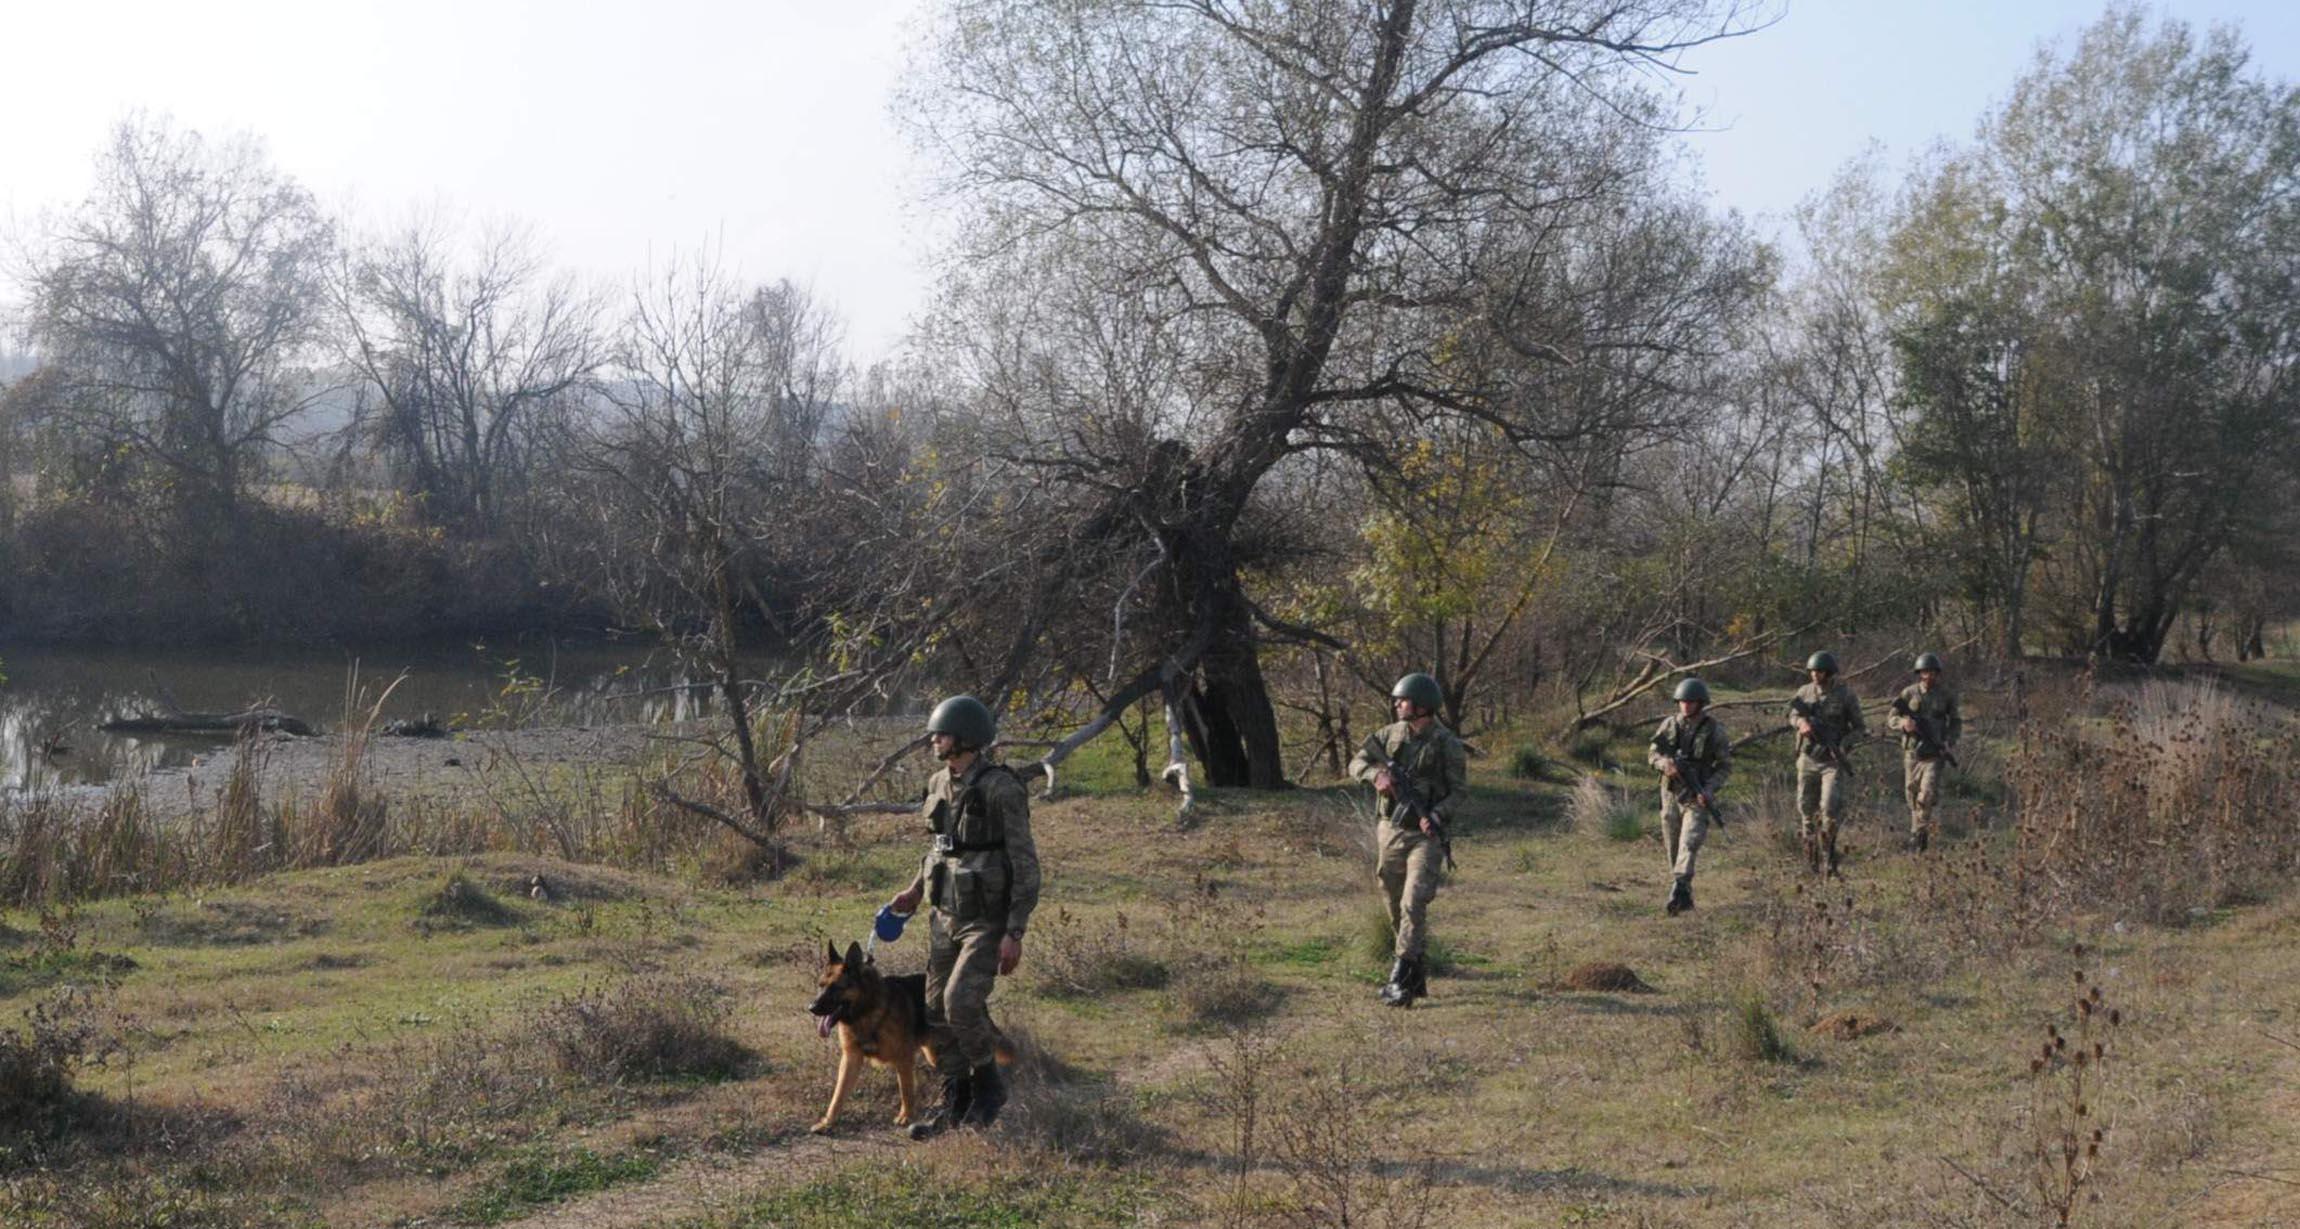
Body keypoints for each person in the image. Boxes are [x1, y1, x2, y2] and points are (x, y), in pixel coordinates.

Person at [886, 695, 1041, 1138]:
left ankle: (989, 1089)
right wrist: (916, 890)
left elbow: (1025, 861)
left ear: (967, 739)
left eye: (943, 733)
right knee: (934, 1009)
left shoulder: (1000, 787)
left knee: (961, 1004)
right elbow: (940, 847)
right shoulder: (938, 783)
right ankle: (955, 1102)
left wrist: (1015, 930)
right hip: (944, 913)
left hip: (986, 919)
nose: (935, 739)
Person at [1348, 672, 1467, 1008]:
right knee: (1393, 900)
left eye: (1403, 700)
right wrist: (1376, 775)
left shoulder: (1447, 744)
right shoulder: (1388, 735)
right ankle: (1415, 973)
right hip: (1390, 830)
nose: (1397, 704)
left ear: (1422, 707)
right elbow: (1356, 762)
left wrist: (1439, 815)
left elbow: (1460, 791)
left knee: (1413, 903)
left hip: (1425, 836)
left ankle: (1397, 980)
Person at [1648, 677, 1730, 916]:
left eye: (1691, 701)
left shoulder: (1714, 730)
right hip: (1671, 793)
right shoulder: (1669, 725)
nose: (1685, 705)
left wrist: (1709, 789)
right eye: (1682, 701)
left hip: (1697, 794)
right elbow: (1652, 753)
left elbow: (1725, 766)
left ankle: (1679, 888)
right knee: (1673, 846)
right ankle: (1684, 893)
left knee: (1689, 842)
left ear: (1700, 703)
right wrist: (1665, 764)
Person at [1789, 651, 1865, 876]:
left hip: (1832, 761)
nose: (1815, 675)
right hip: (1807, 758)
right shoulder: (1804, 692)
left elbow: (1860, 728)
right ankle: (1811, 859)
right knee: (1806, 808)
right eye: (1812, 671)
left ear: (1829, 672)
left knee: (1830, 808)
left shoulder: (1845, 695)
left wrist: (1843, 745)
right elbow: (1791, 715)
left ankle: (1829, 856)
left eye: (1819, 671)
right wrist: (1800, 722)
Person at [1894, 652, 1964, 852]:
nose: (1928, 676)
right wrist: (1903, 723)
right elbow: (1892, 717)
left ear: (1937, 673)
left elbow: (1956, 722)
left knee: (1926, 795)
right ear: (1919, 673)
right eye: (1925, 672)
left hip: (1935, 753)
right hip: (1912, 754)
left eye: (1932, 672)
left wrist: (1950, 741)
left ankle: (1919, 838)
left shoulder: (1946, 695)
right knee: (1912, 795)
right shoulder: (1908, 693)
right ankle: (1916, 831)